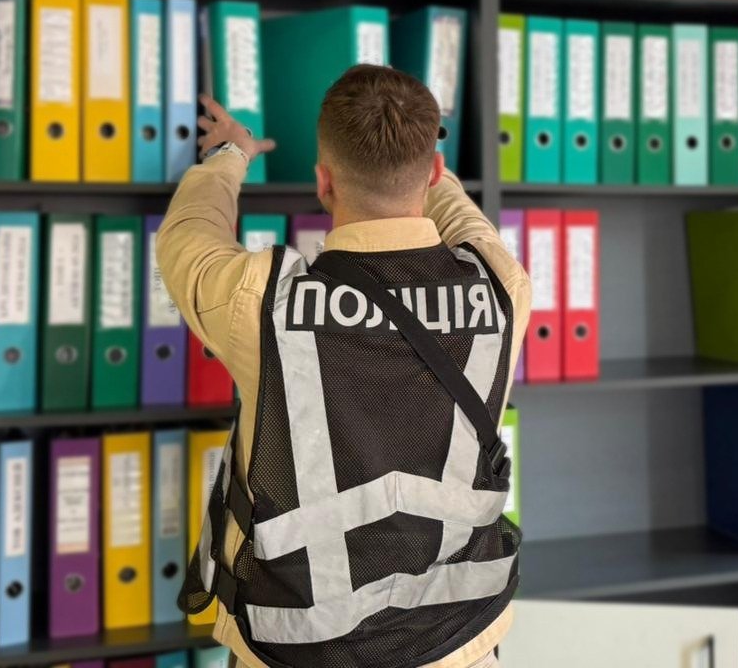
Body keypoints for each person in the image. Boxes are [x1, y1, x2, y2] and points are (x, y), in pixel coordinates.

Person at [156, 65, 529, 668]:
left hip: (297, 649)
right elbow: (464, 220)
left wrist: (230, 154)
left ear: (323, 182)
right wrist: (416, 161)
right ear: (434, 171)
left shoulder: (263, 304)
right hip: (460, 642)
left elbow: (187, 238)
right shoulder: (502, 288)